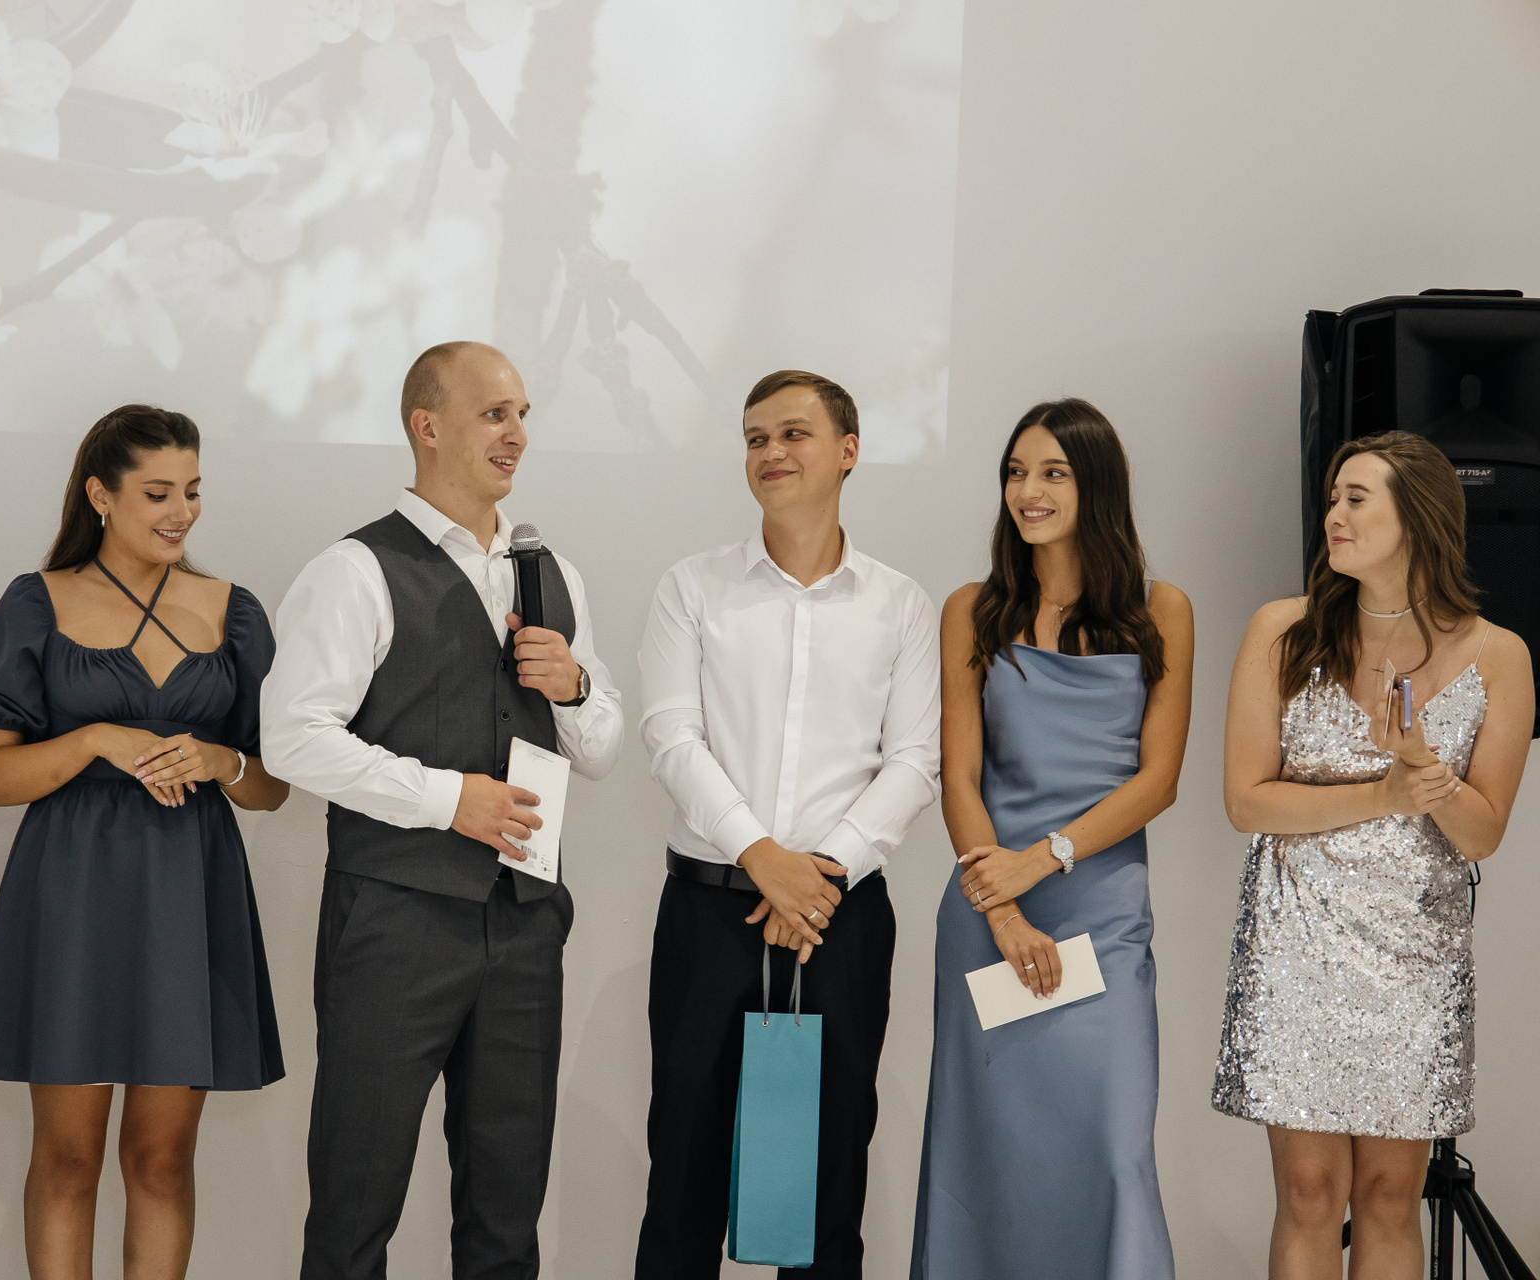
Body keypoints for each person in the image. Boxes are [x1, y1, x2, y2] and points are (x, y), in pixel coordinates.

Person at [261, 340, 623, 1279]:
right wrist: (447, 798)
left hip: (525, 925)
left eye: (524, 415)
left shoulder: (554, 573)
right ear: (427, 426)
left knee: (507, 1215)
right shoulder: (355, 570)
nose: (518, 434)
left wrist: (576, 687)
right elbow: (291, 737)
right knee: (355, 1206)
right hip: (394, 920)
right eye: (495, 413)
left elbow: (602, 750)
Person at [0, 405, 289, 1280]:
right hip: (72, 891)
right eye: (159, 493)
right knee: (67, 1158)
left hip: (190, 892)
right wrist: (96, 738)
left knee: (162, 1161)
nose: (182, 513)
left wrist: (221, 760)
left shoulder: (234, 611)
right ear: (101, 495)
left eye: (193, 491)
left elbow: (272, 788)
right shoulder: (36, 602)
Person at [633, 369, 940, 1277]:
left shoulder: (900, 603)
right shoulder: (692, 586)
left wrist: (820, 873)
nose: (770, 452)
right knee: (682, 1171)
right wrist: (763, 855)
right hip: (708, 911)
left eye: (793, 433)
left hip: (840, 920)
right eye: (755, 437)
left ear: (848, 451)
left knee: (825, 1181)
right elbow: (671, 737)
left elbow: (914, 760)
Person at [1213, 431, 1532, 1280]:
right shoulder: (1282, 630)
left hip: (1416, 954)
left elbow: (1482, 833)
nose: (1335, 515)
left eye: (1356, 498)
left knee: (1392, 1197)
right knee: (1310, 1193)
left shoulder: (1500, 654)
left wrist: (1424, 767)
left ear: (1417, 517)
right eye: (1333, 498)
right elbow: (1246, 800)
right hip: (1298, 944)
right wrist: (1385, 794)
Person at [911, 398, 1190, 1280]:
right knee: (988, 1157)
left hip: (1102, 915)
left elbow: (1159, 781)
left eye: (1052, 473)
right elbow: (960, 777)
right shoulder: (971, 610)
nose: (1027, 491)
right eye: (1015, 472)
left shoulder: (1162, 610)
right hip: (990, 912)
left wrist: (1047, 858)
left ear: (1095, 485)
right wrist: (1002, 910)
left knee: (1112, 1155)